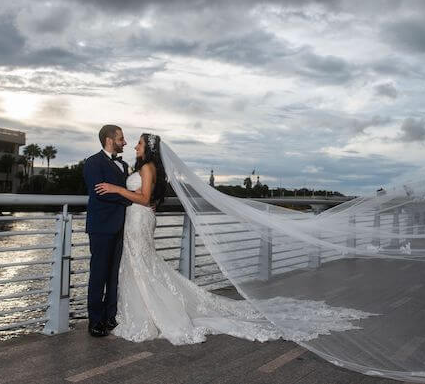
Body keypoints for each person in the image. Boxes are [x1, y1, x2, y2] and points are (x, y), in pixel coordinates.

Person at [94, 134, 369, 344]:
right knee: (139, 265)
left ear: (149, 148)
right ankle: (140, 310)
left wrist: (116, 188)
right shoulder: (143, 167)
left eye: (139, 143)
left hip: (139, 218)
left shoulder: (147, 169)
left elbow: (143, 198)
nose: (134, 146)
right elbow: (146, 198)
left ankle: (151, 313)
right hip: (137, 219)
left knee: (142, 264)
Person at [83, 125, 131, 337]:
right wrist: (131, 198)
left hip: (122, 227)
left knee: (115, 275)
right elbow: (100, 192)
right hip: (101, 227)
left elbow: (120, 191)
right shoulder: (93, 162)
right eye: (121, 138)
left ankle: (111, 316)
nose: (125, 142)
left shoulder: (125, 164)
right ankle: (95, 321)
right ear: (110, 140)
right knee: (99, 274)